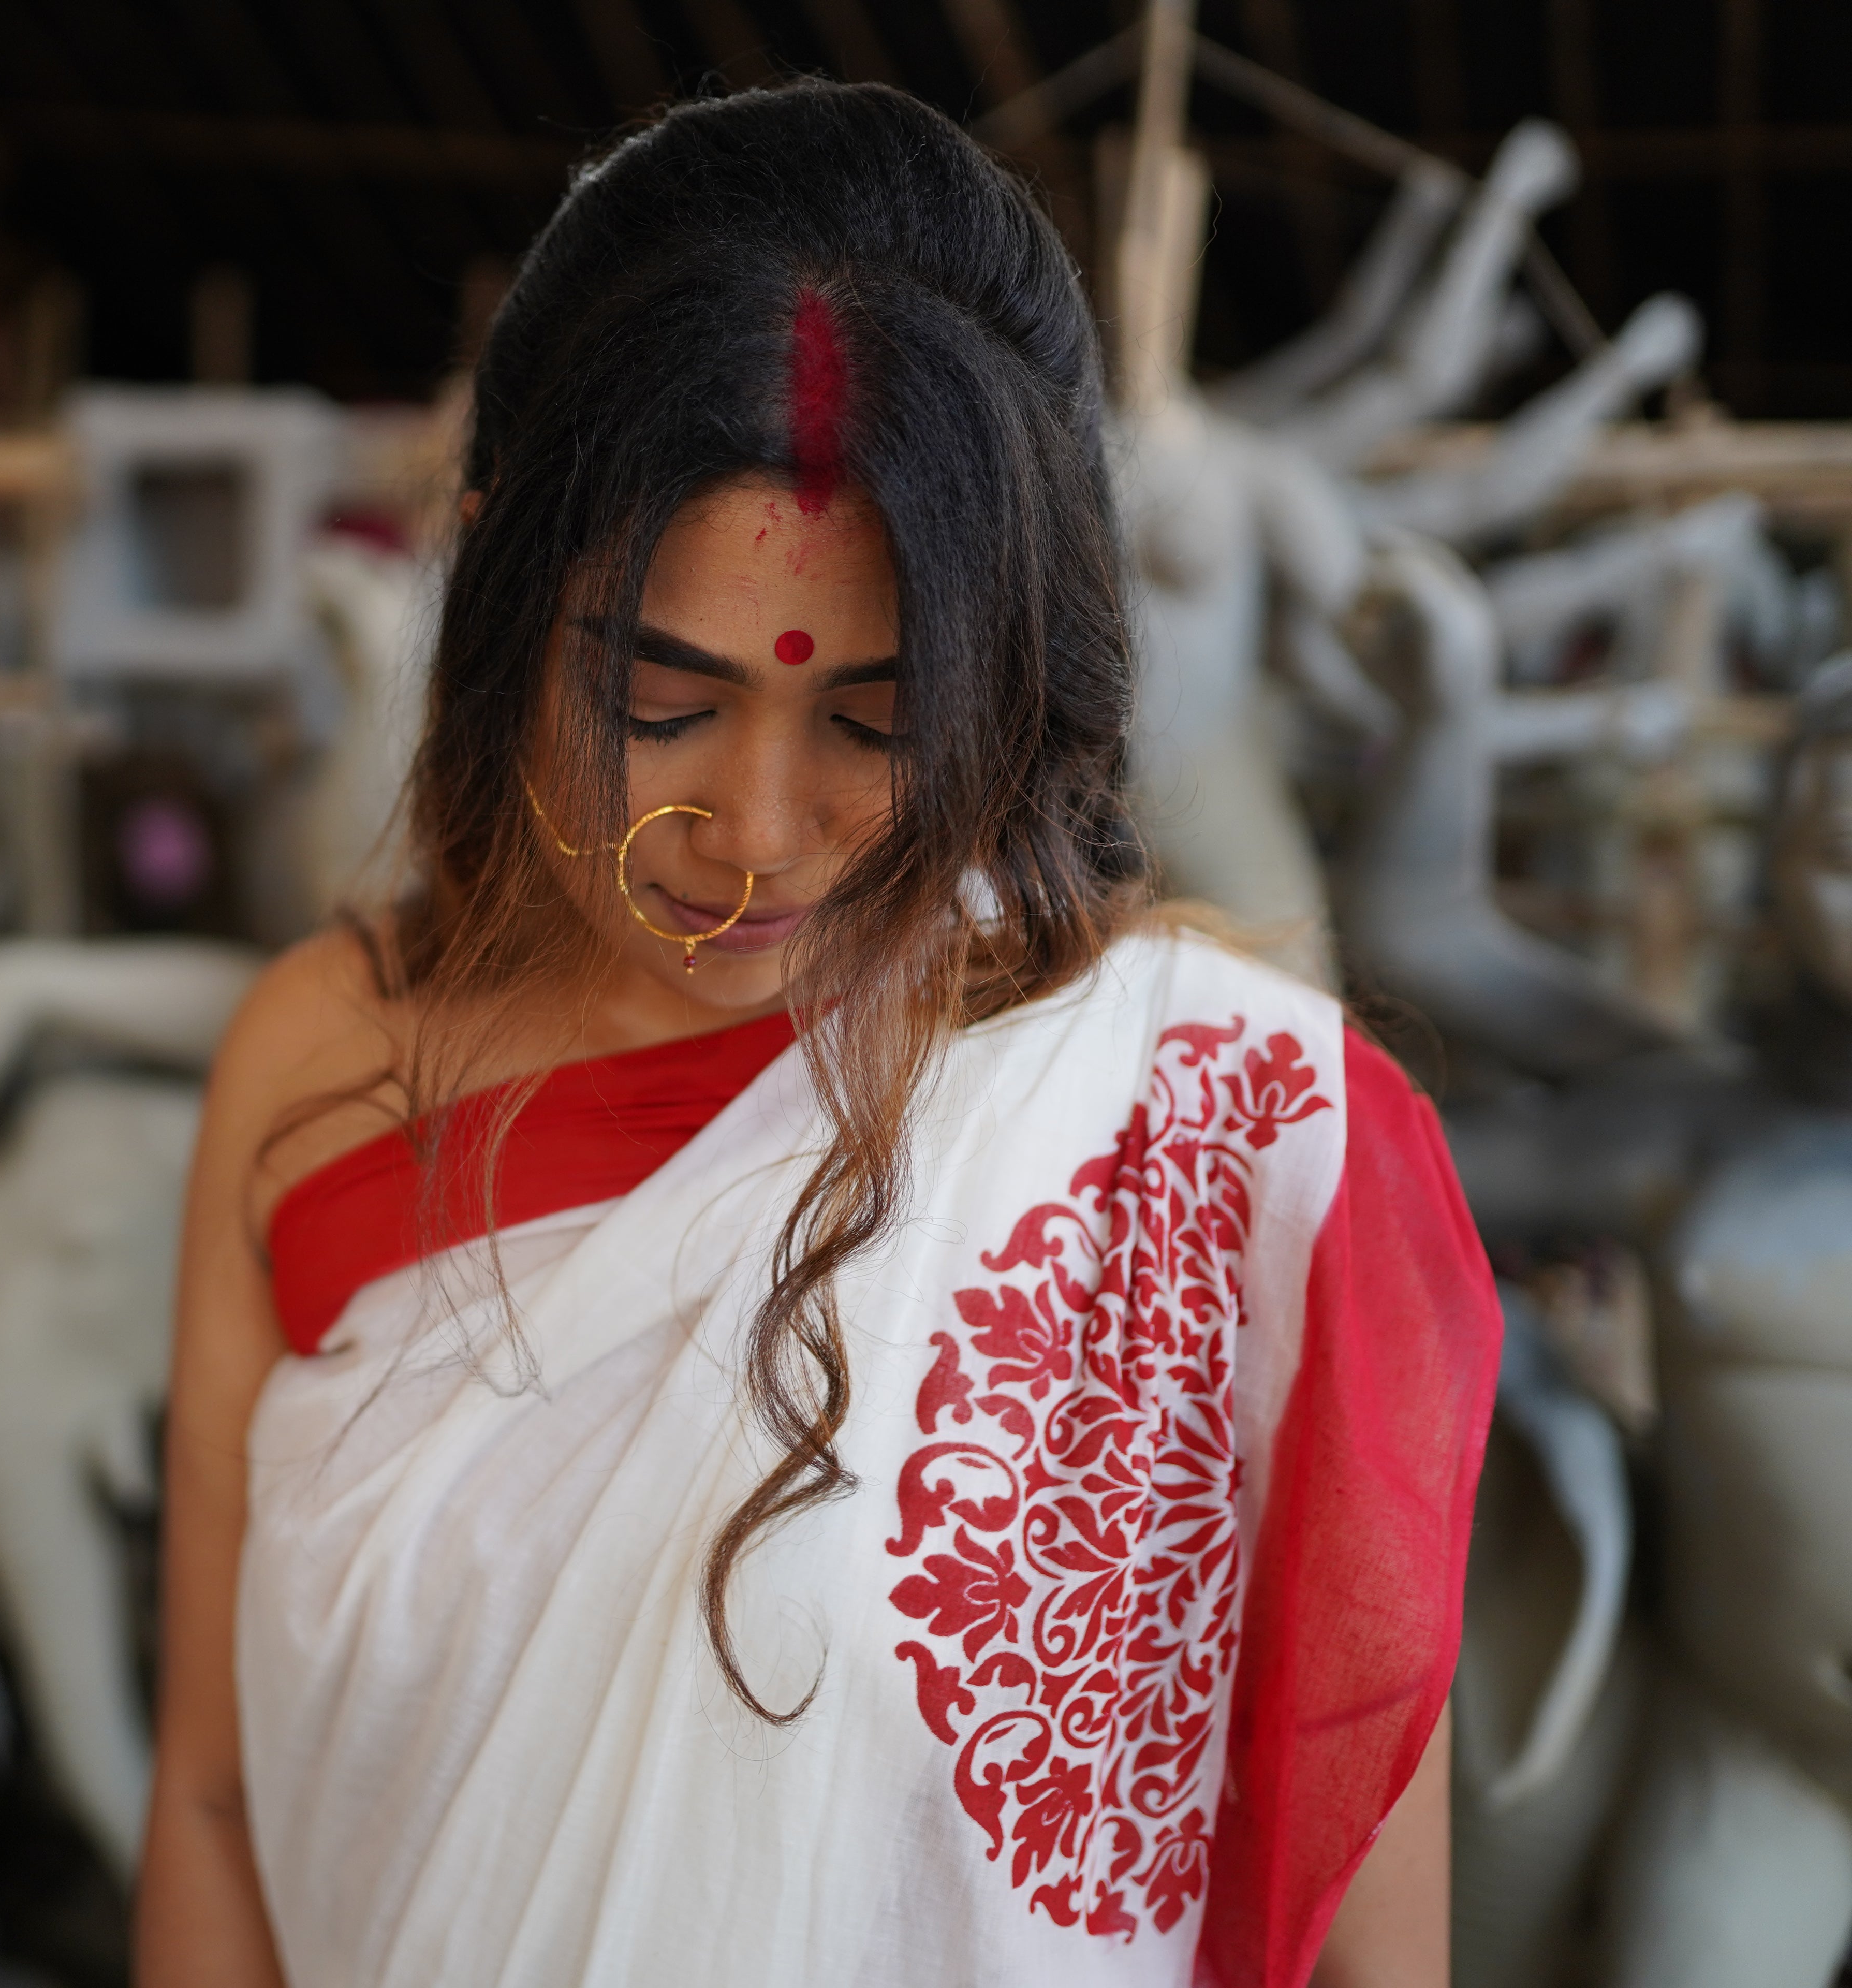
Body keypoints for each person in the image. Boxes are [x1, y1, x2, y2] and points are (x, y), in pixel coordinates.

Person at [139, 82, 1495, 1988]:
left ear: (1020, 673)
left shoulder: (1219, 1139)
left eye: (879, 718)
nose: (755, 835)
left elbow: (1365, 1946)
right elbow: (214, 1801)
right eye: (660, 700)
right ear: (495, 586)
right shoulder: (319, 1061)